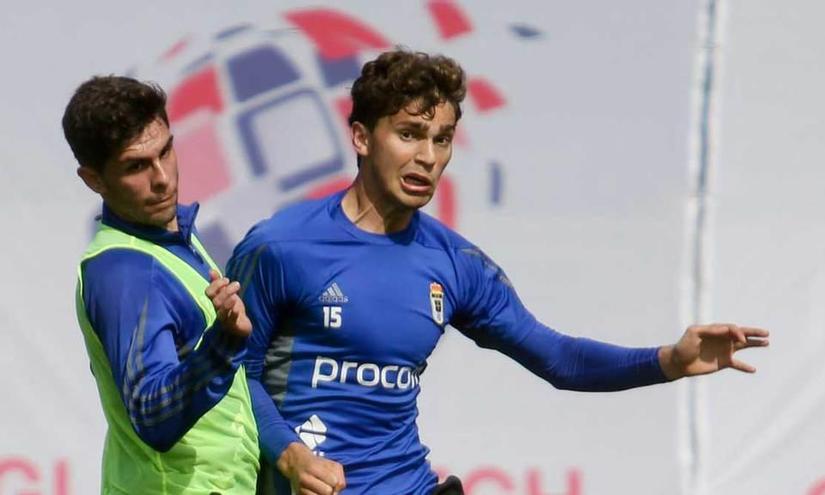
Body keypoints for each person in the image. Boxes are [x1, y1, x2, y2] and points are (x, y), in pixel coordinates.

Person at [226, 50, 769, 495]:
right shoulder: (282, 246)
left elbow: (558, 357)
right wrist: (291, 456)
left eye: (441, 139)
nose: (428, 157)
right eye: (410, 134)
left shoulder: (455, 263)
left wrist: (669, 361)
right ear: (363, 138)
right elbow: (233, 373)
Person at [64, 76, 260, 494]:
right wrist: (223, 343)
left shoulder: (170, 239)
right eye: (136, 166)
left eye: (166, 151)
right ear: (94, 179)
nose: (163, 179)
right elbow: (153, 415)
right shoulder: (127, 272)